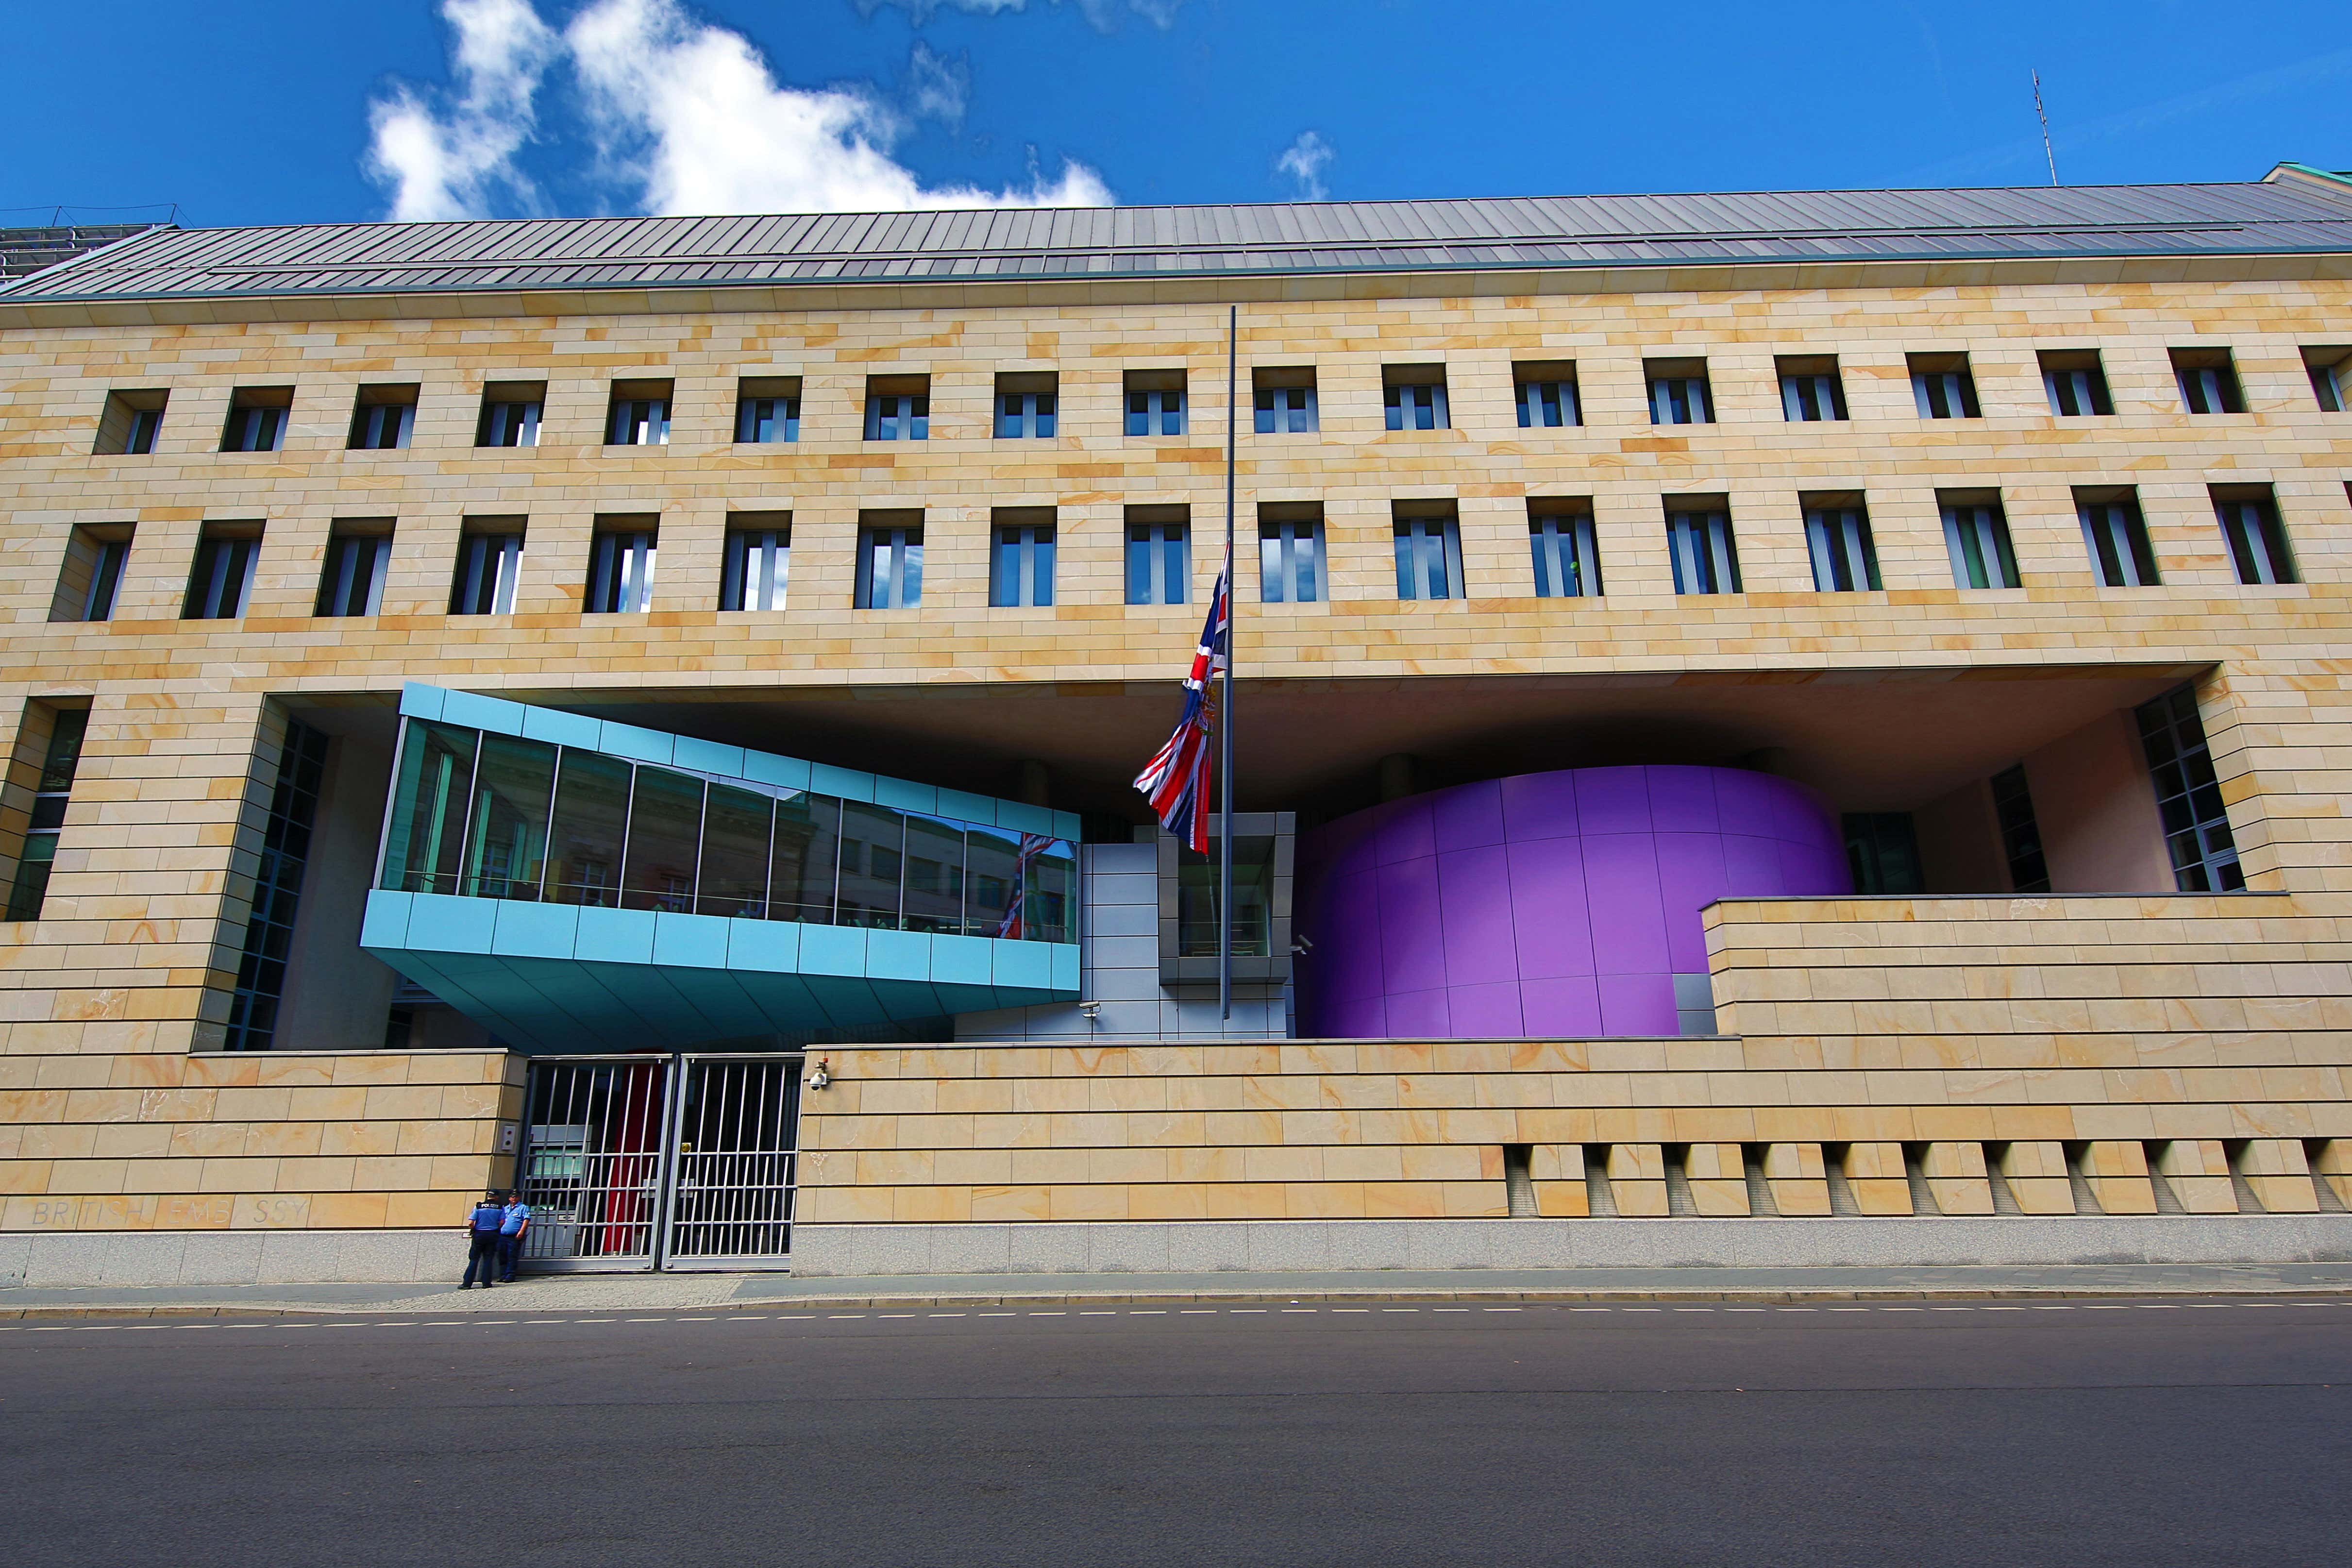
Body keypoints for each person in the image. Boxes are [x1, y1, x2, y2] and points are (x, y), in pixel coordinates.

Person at [461, 1190, 506, 1289]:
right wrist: (495, 1227)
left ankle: (467, 1284)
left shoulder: (479, 1206)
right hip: (492, 1234)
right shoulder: (500, 1207)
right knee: (488, 1259)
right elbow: (502, 1222)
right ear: (497, 1197)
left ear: (488, 1196)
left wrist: (474, 1230)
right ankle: (486, 1283)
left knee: (474, 1259)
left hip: (479, 1235)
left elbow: (471, 1223)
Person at [497, 1190, 532, 1282]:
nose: (514, 1199)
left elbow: (526, 1220)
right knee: (502, 1256)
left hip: (514, 1236)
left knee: (512, 1256)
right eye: (512, 1197)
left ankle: (510, 1275)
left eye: (516, 1197)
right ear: (509, 1198)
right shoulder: (505, 1208)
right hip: (503, 1235)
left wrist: (522, 1231)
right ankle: (503, 1275)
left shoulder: (523, 1208)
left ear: (519, 1198)